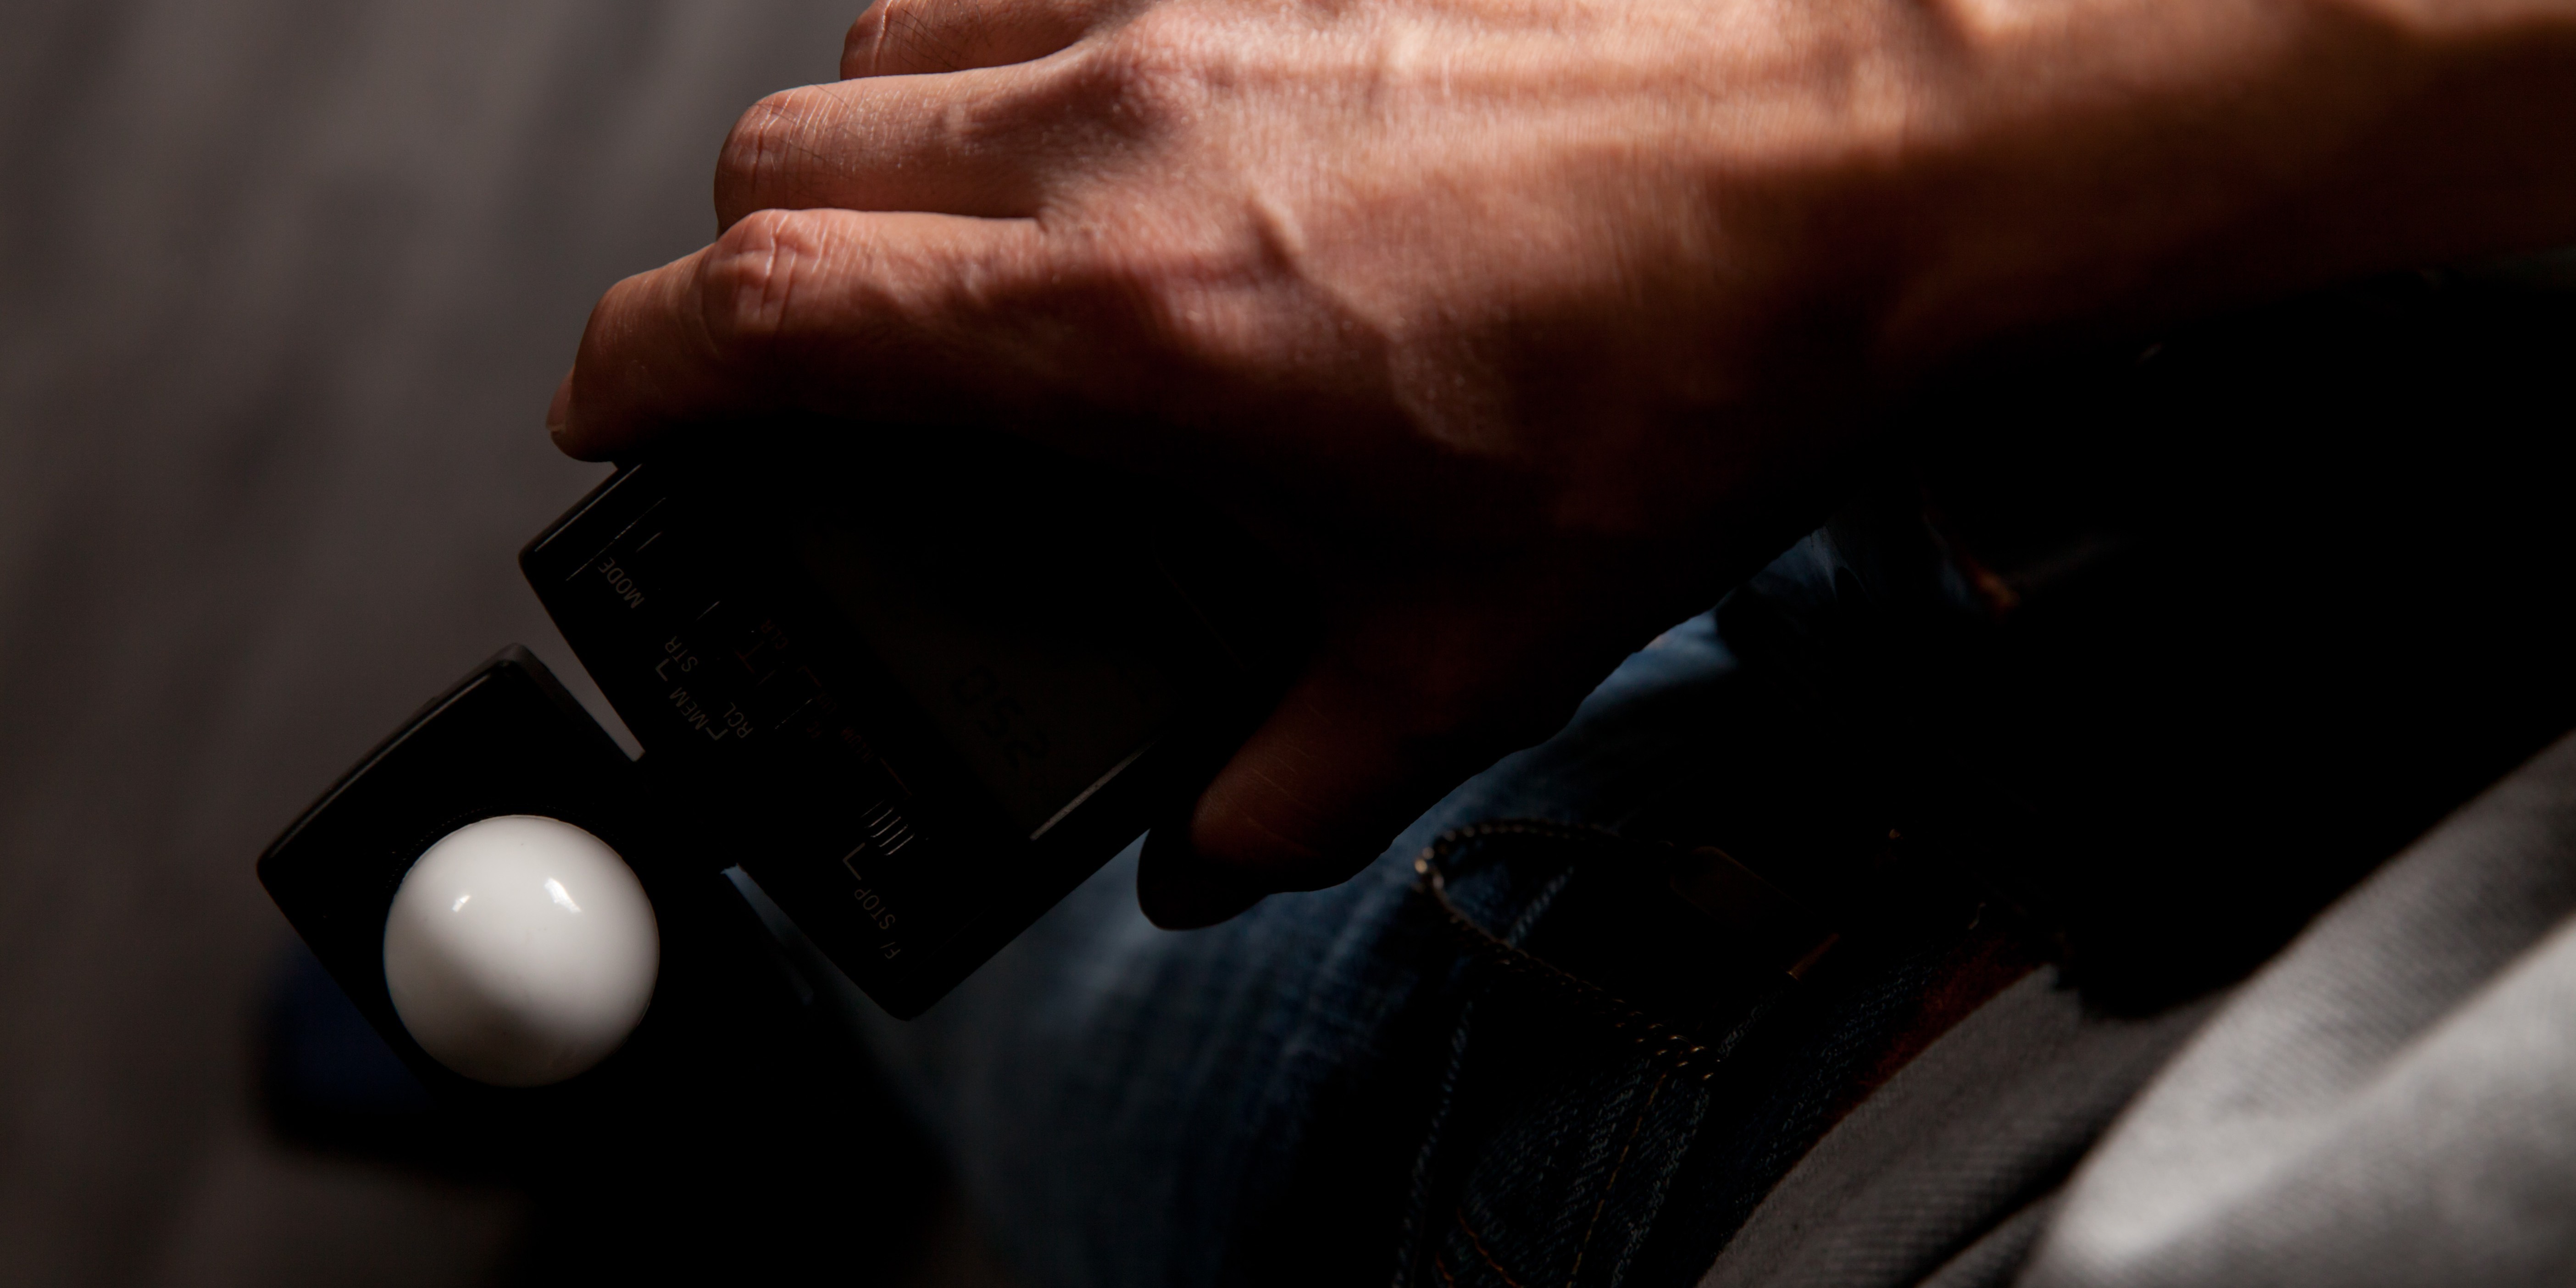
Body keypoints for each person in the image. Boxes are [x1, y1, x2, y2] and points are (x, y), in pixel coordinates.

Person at [549, 0, 2576, 1282]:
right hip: (2319, 421)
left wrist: (1835, 128)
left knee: (852, 840)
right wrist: (1841, 123)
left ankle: (736, 1028)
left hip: (1950, 1070)